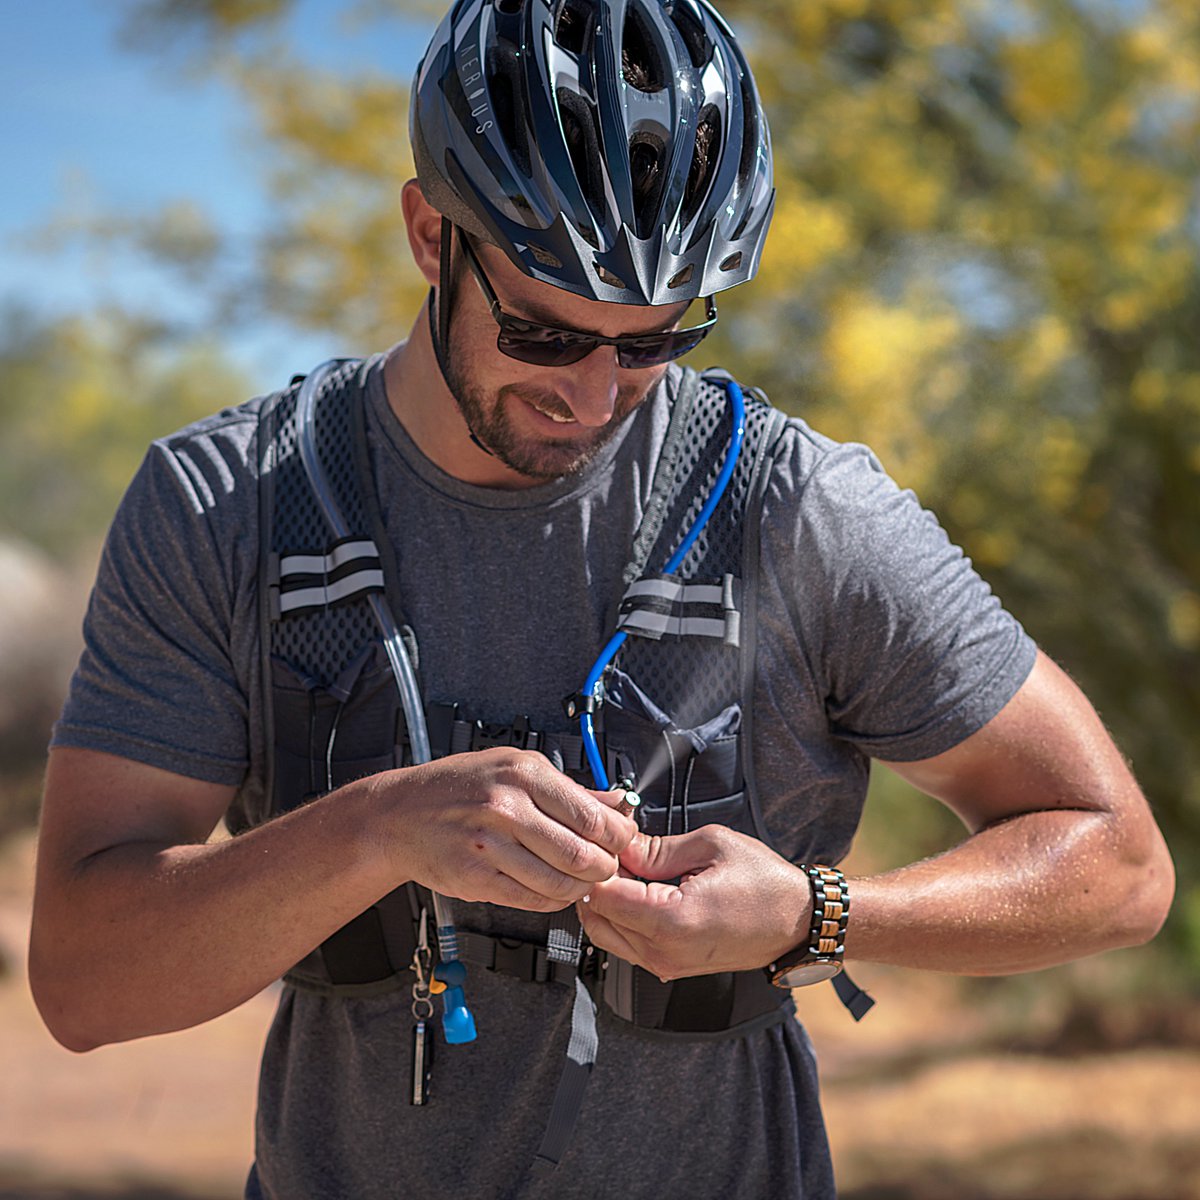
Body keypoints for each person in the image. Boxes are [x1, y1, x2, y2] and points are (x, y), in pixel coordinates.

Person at [30, 0, 1173, 1196]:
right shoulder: (229, 506)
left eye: (650, 344)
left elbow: (1121, 868)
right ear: (431, 234)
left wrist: (813, 916)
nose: (593, 395)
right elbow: (82, 982)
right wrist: (372, 830)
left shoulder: (804, 510)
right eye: (541, 330)